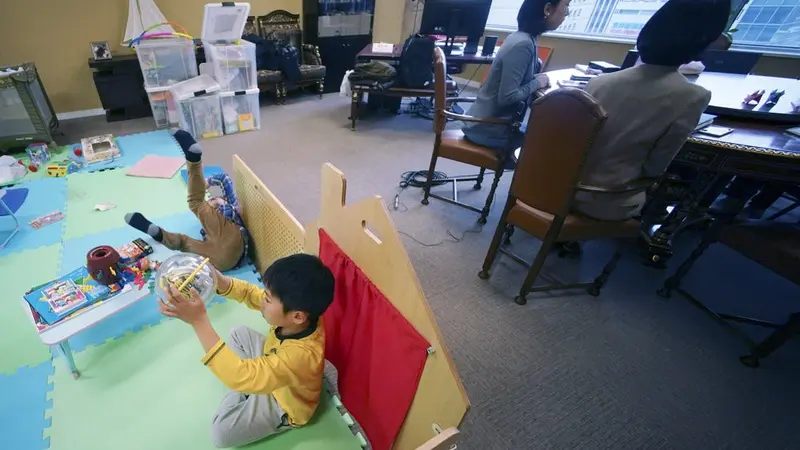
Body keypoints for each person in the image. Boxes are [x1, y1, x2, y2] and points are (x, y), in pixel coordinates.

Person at [573, 0, 730, 222]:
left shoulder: (600, 82)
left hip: (563, 187)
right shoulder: (693, 97)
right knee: (678, 179)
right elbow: (656, 166)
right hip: (610, 198)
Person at [159, 253, 335, 448]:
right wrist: (222, 283)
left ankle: (250, 389)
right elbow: (252, 295)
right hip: (276, 364)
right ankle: (251, 386)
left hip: (284, 402)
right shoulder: (305, 316)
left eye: (267, 299)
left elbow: (239, 376)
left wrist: (198, 320)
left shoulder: (301, 355)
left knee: (220, 433)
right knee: (238, 333)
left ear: (297, 316)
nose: (262, 300)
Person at [124, 129, 249, 271]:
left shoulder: (225, 212)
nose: (213, 200)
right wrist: (208, 188)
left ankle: (193, 159)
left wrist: (214, 198)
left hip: (222, 255)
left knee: (195, 204)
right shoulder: (223, 214)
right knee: (183, 241)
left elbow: (221, 182)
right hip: (221, 261)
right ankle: (158, 234)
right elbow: (223, 181)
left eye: (213, 201)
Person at [461, 0, 570, 156]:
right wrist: (537, 82)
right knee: (549, 147)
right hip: (487, 128)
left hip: (489, 123)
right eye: (565, 8)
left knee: (548, 139)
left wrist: (534, 80)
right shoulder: (523, 44)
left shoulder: (524, 38)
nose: (566, 15)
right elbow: (507, 97)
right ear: (547, 9)